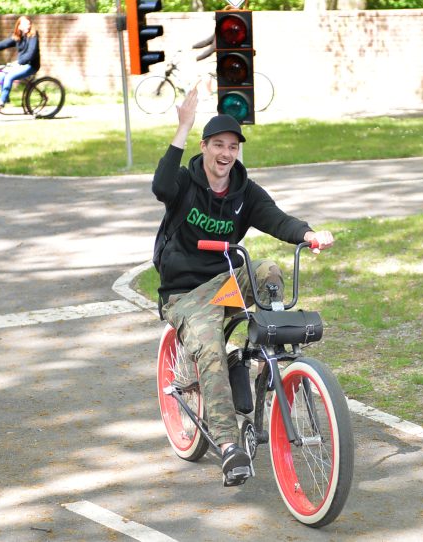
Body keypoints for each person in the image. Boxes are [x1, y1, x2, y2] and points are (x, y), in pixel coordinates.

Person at [152, 88, 334, 485]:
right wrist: (182, 126)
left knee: (267, 267)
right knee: (212, 351)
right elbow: (161, 187)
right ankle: (229, 445)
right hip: (184, 293)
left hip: (225, 285)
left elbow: (276, 218)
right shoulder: (185, 183)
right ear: (204, 148)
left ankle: (267, 350)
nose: (226, 153)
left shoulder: (243, 191)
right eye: (218, 145)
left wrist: (309, 234)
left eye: (233, 147)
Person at [0, 16, 40, 110]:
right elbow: (4, 44)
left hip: (31, 65)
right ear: (19, 26)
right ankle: (6, 98)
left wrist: (19, 62)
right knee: (1, 74)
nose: (28, 26)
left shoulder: (33, 36)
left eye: (29, 24)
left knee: (9, 76)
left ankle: (2, 101)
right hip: (21, 64)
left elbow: (31, 52)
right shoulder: (18, 37)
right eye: (25, 24)